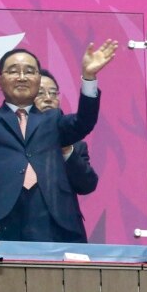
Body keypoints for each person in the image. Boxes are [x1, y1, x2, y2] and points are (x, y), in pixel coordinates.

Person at [0, 40, 118, 242]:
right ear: (0, 80)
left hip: (55, 220)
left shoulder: (54, 120)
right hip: (0, 218)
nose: (22, 77)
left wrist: (89, 78)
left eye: (29, 71)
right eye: (13, 71)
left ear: (37, 77)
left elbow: (84, 122)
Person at [35, 69, 98, 197]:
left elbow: (87, 185)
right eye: (40, 93)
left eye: (53, 93)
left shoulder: (76, 145)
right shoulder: (12, 138)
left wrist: (67, 151)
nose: (48, 98)